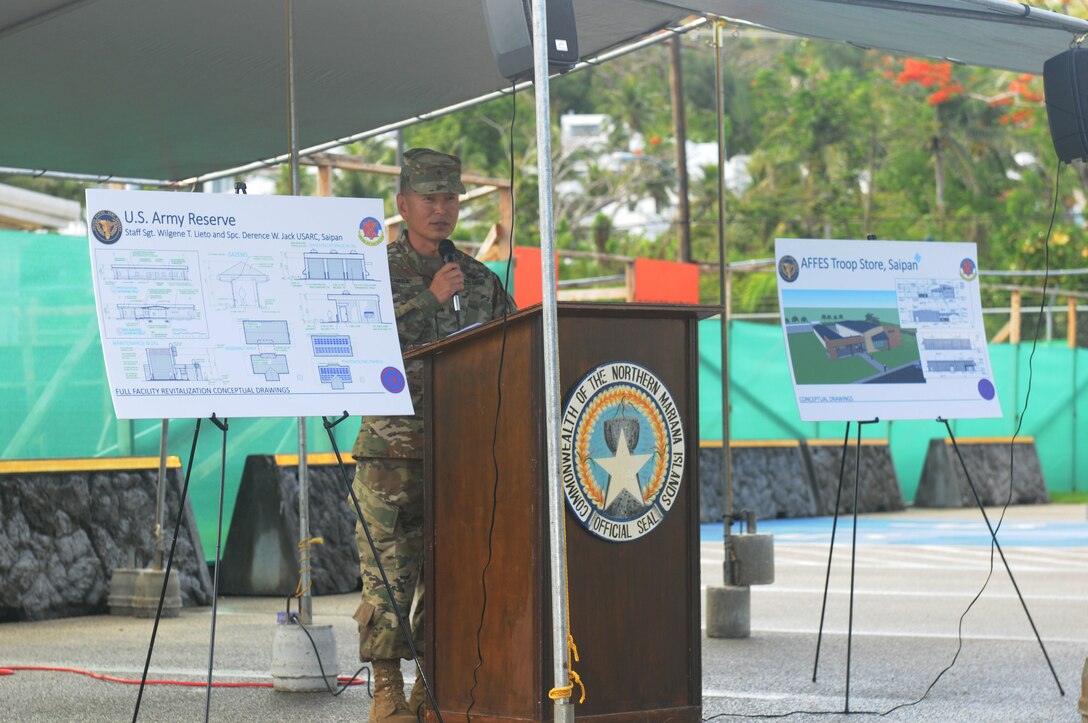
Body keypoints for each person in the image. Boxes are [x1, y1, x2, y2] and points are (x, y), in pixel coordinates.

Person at [350, 148, 516, 722]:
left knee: (454, 572)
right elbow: (360, 345)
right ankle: (387, 686)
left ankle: (435, 680)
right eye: (429, 199)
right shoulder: (373, 270)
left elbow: (512, 352)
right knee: (389, 571)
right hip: (392, 454)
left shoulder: (480, 279)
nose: (441, 209)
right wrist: (430, 300)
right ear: (403, 205)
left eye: (450, 198)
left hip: (465, 452)